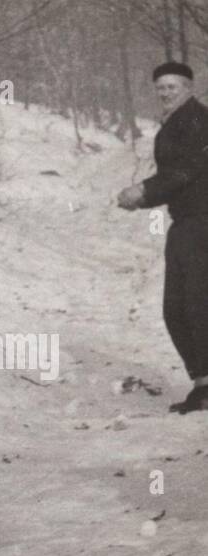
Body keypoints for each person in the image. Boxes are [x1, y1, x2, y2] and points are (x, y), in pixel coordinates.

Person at [118, 61, 208, 414]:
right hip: (187, 221)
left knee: (194, 304)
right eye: (161, 87)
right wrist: (145, 197)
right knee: (179, 308)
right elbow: (179, 176)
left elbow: (186, 170)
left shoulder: (197, 119)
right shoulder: (178, 121)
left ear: (188, 87)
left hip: (202, 223)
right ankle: (203, 384)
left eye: (173, 86)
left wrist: (143, 190)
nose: (165, 92)